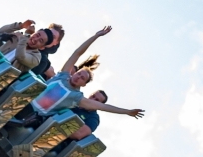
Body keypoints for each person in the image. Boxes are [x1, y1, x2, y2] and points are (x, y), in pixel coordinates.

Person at [9, 26, 144, 129]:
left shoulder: (77, 97)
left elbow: (104, 107)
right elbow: (77, 53)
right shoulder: (62, 76)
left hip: (31, 115)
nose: (79, 76)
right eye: (79, 73)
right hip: (23, 100)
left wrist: (127, 111)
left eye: (82, 78)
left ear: (84, 84)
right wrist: (96, 36)